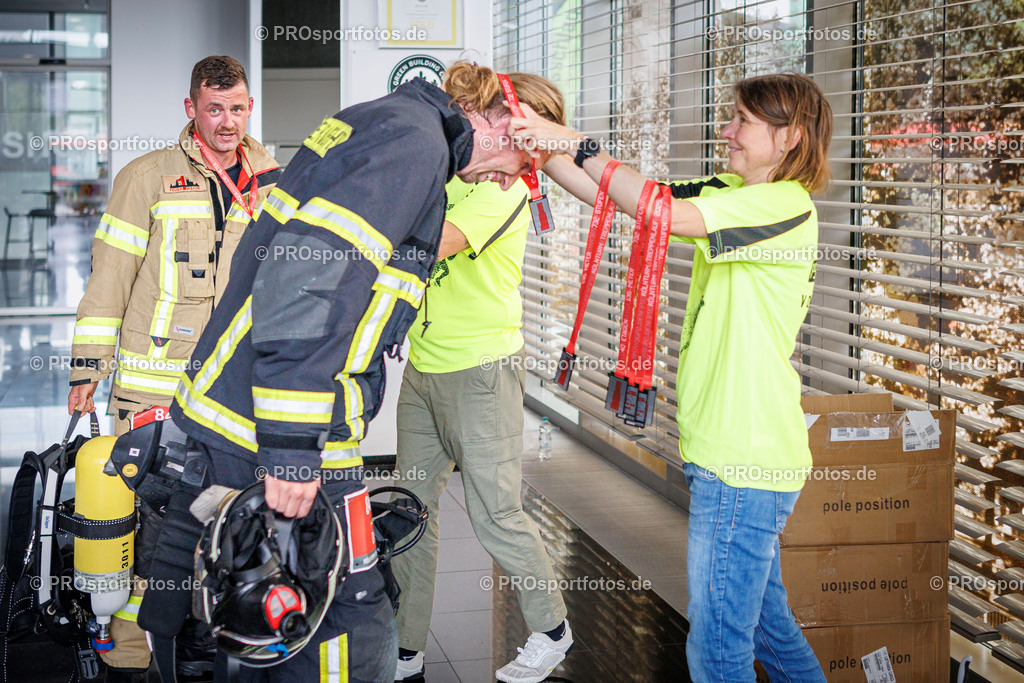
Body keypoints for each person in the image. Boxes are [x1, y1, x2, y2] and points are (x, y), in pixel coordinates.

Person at [137, 62, 565, 682]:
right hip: (278, 426)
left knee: (251, 619)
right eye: (522, 158)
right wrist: (290, 447)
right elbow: (307, 282)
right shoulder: (413, 144)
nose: (514, 177)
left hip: (251, 412)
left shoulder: (391, 124)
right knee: (342, 626)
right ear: (502, 117)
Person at [510, 73, 833, 681]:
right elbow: (619, 194)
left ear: (789, 137)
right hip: (738, 454)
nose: (726, 131)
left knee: (717, 647)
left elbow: (664, 213)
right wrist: (537, 144)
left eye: (742, 121)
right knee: (768, 629)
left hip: (746, 460)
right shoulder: (734, 190)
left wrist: (573, 138)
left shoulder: (782, 206)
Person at [67, 55, 280, 681]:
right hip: (152, 390)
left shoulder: (272, 179)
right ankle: (134, 653)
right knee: (151, 527)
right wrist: (87, 368)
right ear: (191, 110)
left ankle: (220, 641)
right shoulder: (147, 177)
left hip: (237, 391)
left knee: (234, 517)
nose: (227, 121)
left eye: (238, 108)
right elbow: (109, 276)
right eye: (214, 109)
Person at [392, 173, 573, 683]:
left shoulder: (503, 188)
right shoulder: (445, 177)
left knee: (495, 512)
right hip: (423, 367)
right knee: (411, 511)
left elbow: (436, 241)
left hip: (482, 372)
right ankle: (407, 648)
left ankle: (553, 629)